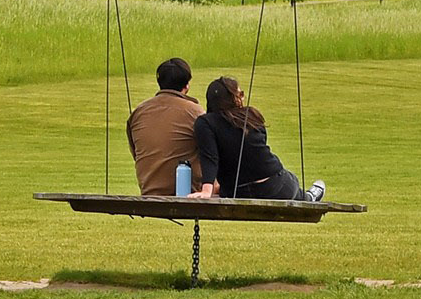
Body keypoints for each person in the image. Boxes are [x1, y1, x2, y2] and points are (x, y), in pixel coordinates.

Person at [192, 75, 327, 201]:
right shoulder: (251, 116)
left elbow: (210, 157)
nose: (243, 99)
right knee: (292, 182)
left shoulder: (205, 123)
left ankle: (308, 196)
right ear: (233, 99)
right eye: (241, 94)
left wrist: (207, 191)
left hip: (236, 191)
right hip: (274, 184)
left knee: (290, 182)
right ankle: (309, 197)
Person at [125, 58, 202, 197]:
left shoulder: (139, 112)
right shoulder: (195, 112)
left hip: (149, 190)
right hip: (188, 192)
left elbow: (136, 153)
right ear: (187, 85)